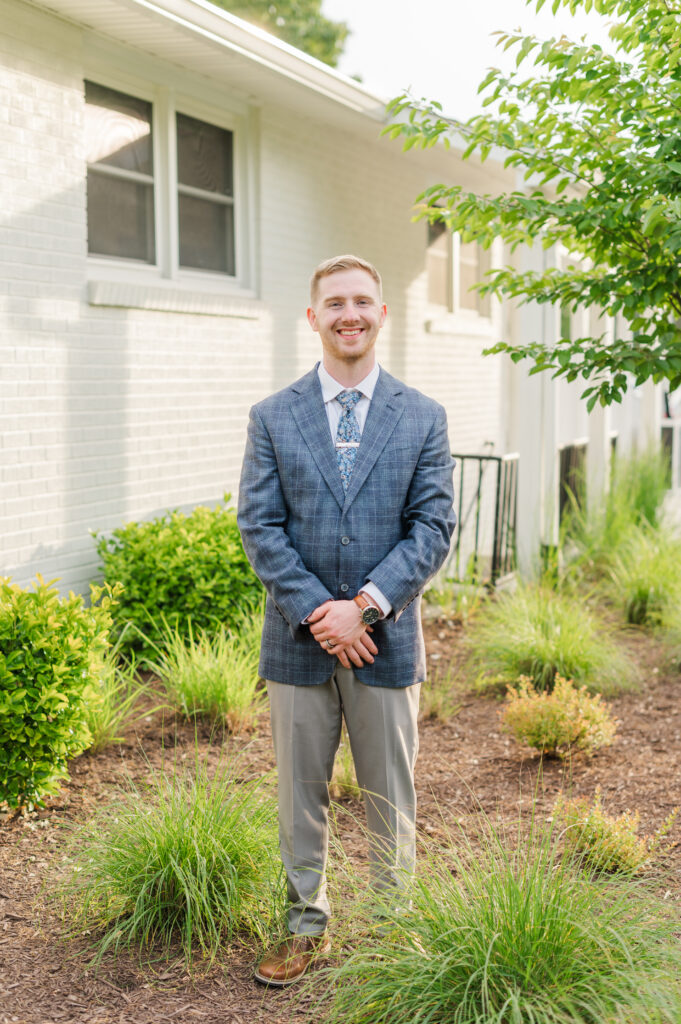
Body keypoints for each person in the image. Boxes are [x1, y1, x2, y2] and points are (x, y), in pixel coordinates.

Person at [237, 254, 456, 987]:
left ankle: (394, 932)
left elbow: (431, 528)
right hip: (297, 647)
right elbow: (259, 526)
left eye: (362, 300)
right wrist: (317, 612)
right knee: (299, 795)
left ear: (381, 314)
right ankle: (304, 925)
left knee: (389, 796)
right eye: (334, 303)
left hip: (385, 645)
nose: (349, 314)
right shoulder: (272, 416)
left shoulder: (422, 417)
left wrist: (361, 606)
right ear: (313, 318)